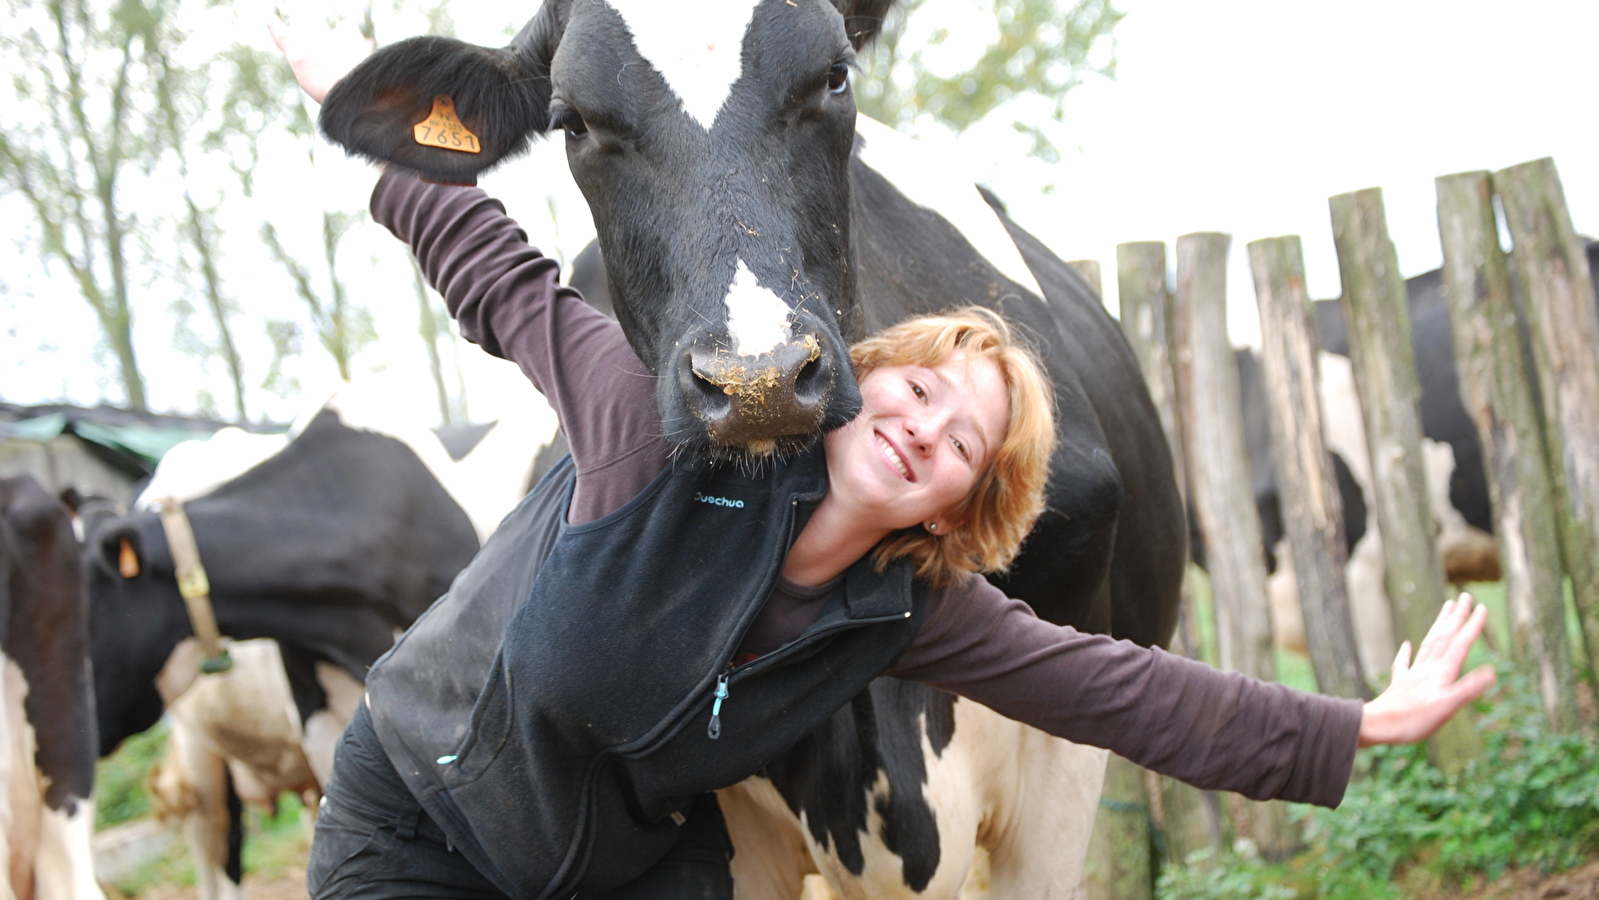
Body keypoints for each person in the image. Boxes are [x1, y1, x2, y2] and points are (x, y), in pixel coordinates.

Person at [271, 23, 1497, 900]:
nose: (923, 426)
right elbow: (492, 268)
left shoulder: (895, 614)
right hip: (422, 819)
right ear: (867, 374)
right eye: (918, 388)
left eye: (963, 443)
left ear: (967, 506)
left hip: (632, 865)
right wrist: (356, 105)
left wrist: (1357, 730)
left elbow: (1128, 693)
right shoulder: (633, 431)